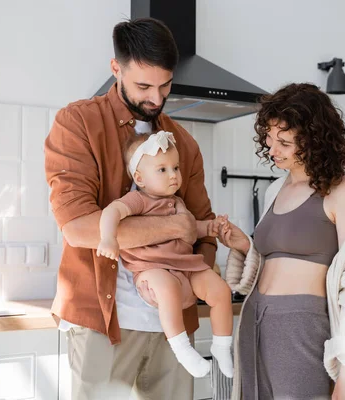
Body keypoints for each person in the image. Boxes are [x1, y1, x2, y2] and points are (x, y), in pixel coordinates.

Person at [44, 17, 217, 399]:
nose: (156, 98)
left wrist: (195, 287)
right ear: (115, 69)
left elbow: (203, 229)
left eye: (165, 85)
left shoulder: (184, 144)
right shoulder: (78, 123)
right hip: (101, 323)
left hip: (175, 330)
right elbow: (78, 228)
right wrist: (176, 228)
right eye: (143, 86)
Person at [213, 83, 345, 399]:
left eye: (285, 142)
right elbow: (269, 264)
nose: (272, 149)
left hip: (303, 326)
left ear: (315, 141)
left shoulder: (342, 191)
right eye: (269, 138)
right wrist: (243, 245)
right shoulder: (274, 190)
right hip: (256, 319)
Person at [96, 131, 233, 379]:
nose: (173, 175)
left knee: (221, 291)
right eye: (162, 170)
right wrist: (108, 238)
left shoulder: (177, 202)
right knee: (167, 288)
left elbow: (191, 226)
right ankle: (182, 350)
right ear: (140, 177)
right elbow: (110, 212)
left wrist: (210, 228)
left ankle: (222, 346)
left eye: (176, 167)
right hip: (152, 269)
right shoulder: (138, 200)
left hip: (185, 266)